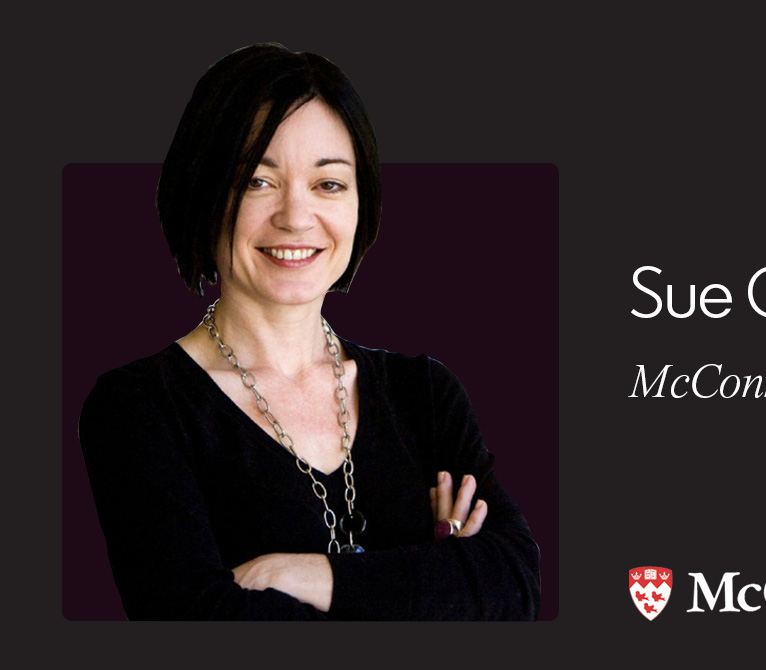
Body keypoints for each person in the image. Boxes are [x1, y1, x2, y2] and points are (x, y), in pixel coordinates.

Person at [78, 43, 541, 620]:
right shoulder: (138, 410)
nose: (296, 217)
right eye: (256, 181)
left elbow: (516, 584)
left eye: (328, 184)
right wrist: (433, 579)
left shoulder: (424, 394)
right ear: (201, 192)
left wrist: (303, 574)